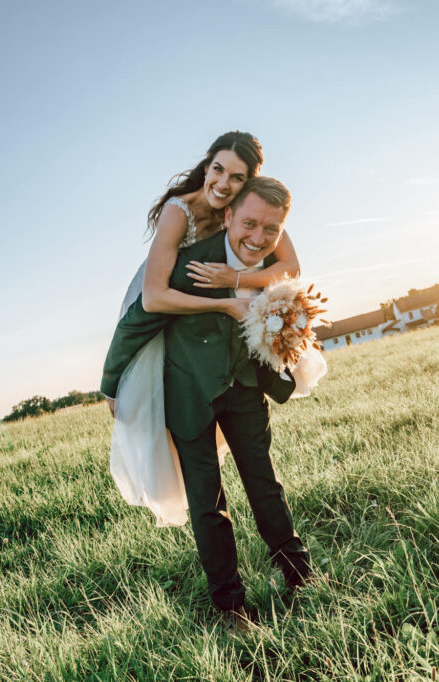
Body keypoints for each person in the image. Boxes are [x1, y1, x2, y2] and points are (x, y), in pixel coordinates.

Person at [102, 177, 312, 625]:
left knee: (264, 482)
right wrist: (111, 383)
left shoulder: (269, 267)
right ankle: (231, 606)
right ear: (229, 216)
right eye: (249, 224)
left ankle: (299, 574)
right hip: (189, 394)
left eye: (270, 231)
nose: (258, 238)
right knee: (207, 502)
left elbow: (289, 283)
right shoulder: (190, 264)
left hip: (246, 389)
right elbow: (140, 319)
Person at [108, 132, 304, 528]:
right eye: (218, 169)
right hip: (163, 301)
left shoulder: (247, 209)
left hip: (216, 323)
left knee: (258, 469)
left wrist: (236, 278)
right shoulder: (178, 212)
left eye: (236, 177)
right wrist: (226, 302)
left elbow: (291, 267)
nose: (223, 184)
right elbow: (154, 299)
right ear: (207, 165)